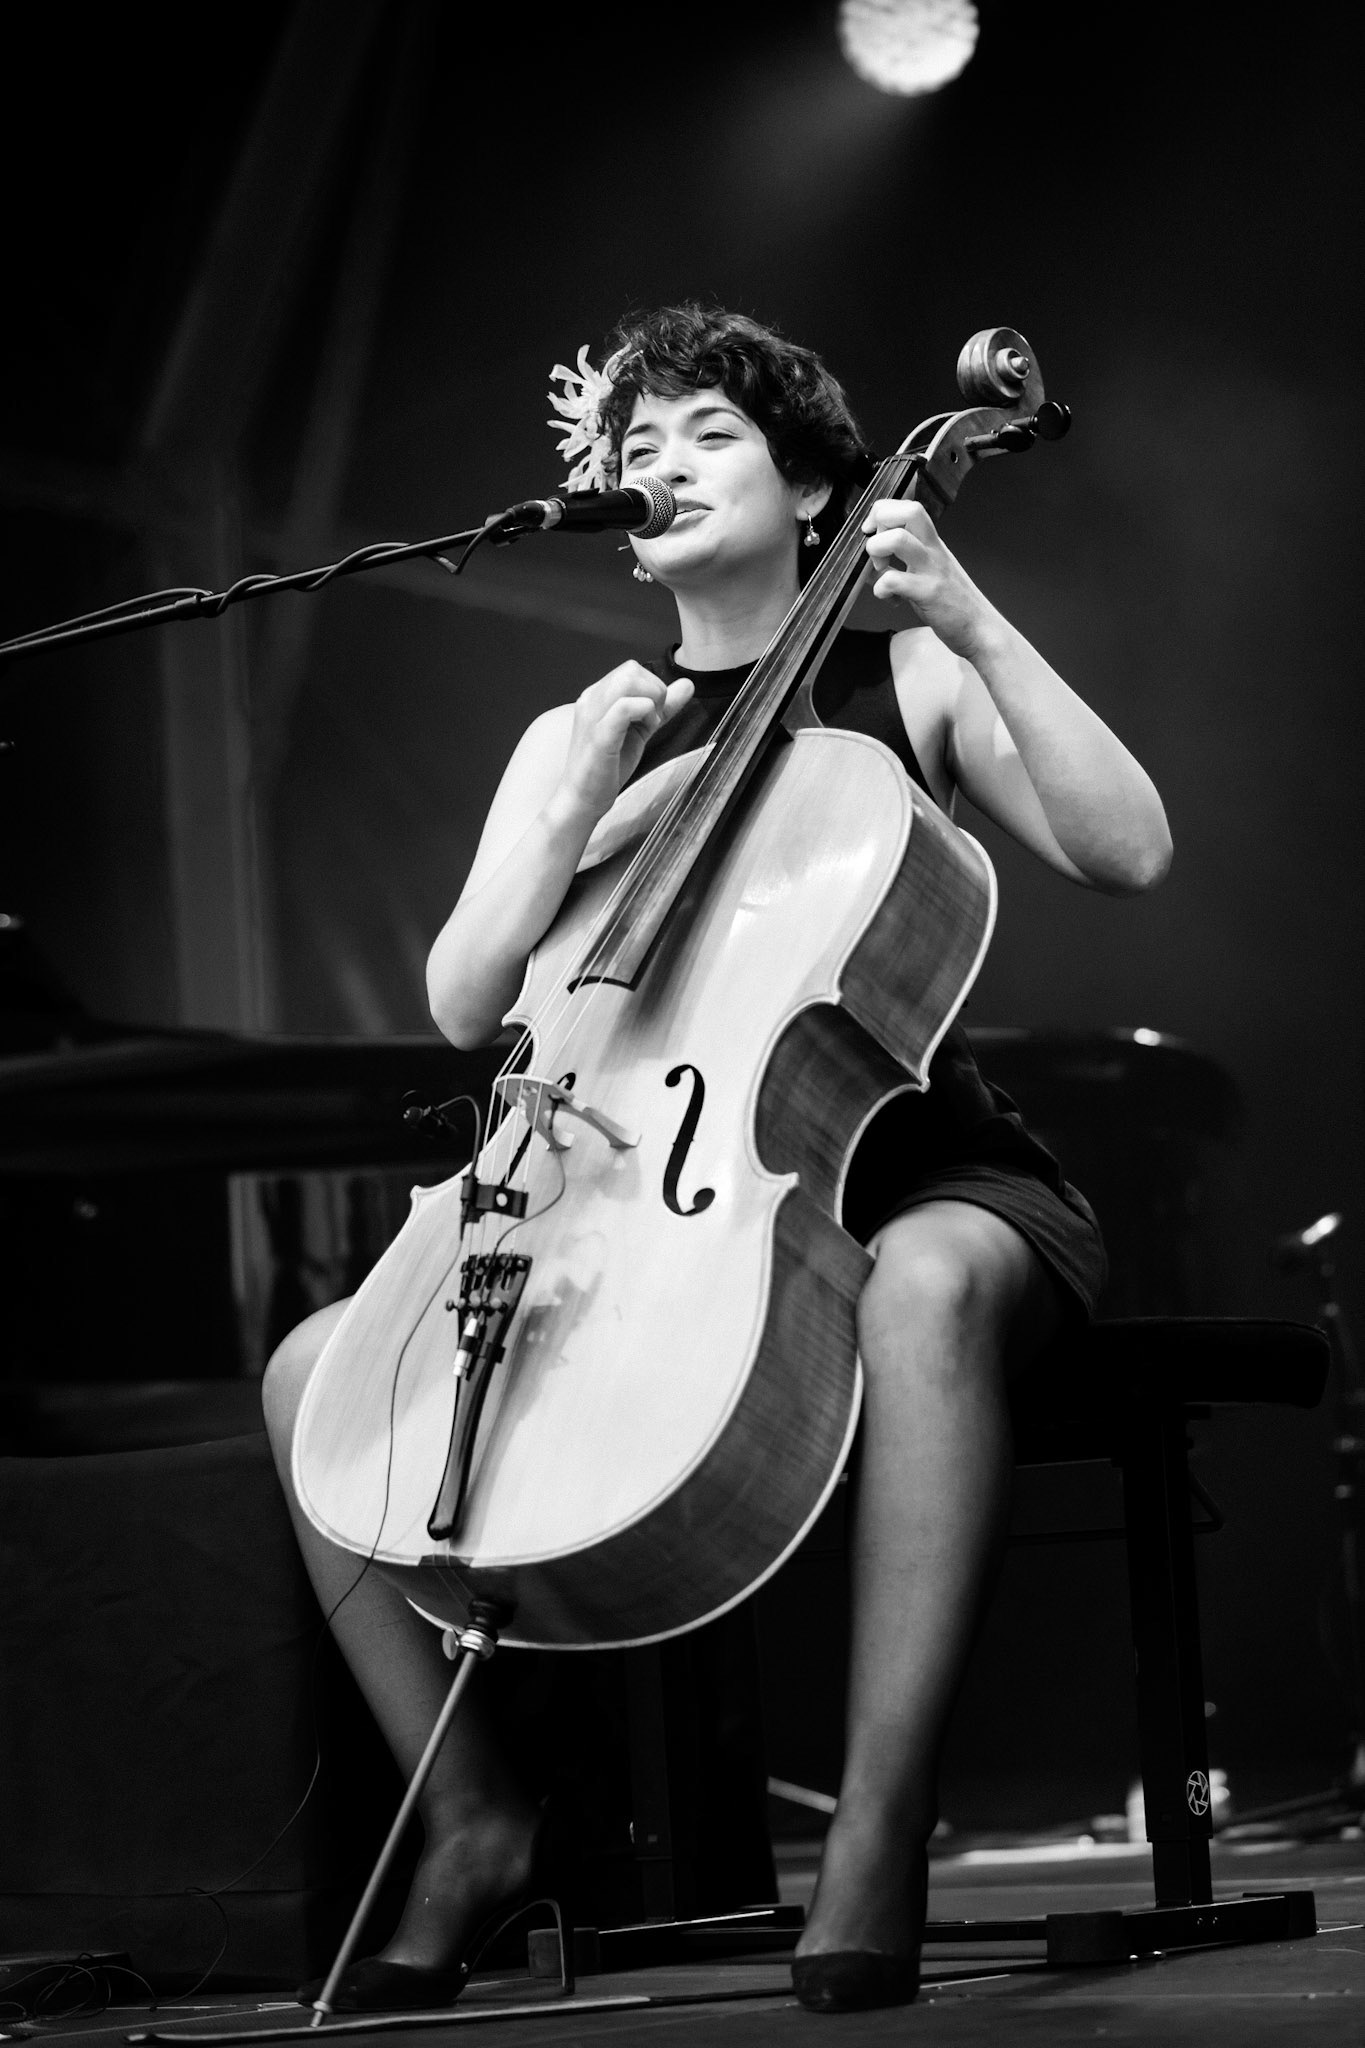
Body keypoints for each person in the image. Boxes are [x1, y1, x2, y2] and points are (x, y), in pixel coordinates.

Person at [263, 303, 1171, 2014]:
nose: (653, 465)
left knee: (918, 1285)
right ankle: (470, 1824)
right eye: (632, 446)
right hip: (645, 1206)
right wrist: (561, 809)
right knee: (317, 1370)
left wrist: (969, 614)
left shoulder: (903, 671)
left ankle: (878, 1832)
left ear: (818, 483)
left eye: (705, 434)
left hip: (910, 1179)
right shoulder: (582, 732)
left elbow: (1126, 849)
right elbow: (470, 1001)